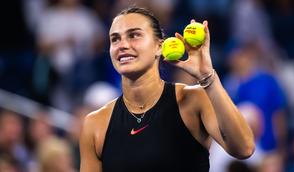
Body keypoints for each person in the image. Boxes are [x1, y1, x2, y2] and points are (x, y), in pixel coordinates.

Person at [79, 7, 255, 172]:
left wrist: (208, 76)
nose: (122, 45)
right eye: (115, 39)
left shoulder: (193, 99)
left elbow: (244, 148)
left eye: (134, 35)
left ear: (159, 47)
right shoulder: (95, 124)